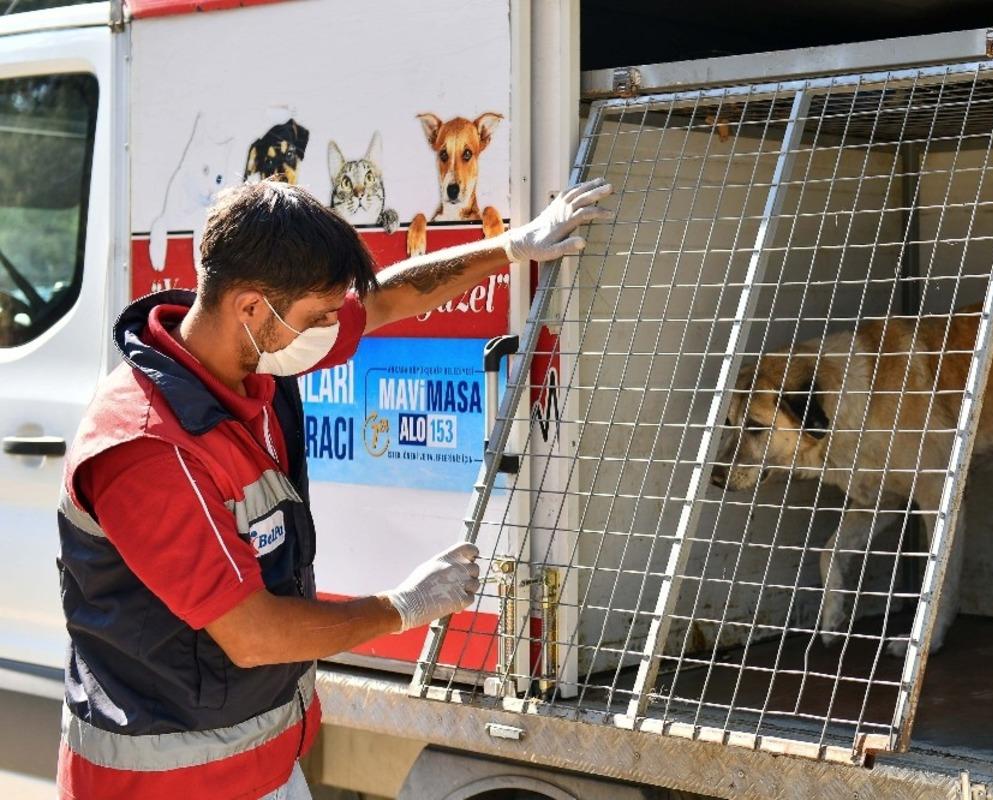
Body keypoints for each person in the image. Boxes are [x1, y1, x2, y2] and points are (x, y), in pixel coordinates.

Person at [55, 177, 612, 800]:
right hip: (166, 788)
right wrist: (402, 605)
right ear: (249, 307)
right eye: (318, 317)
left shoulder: (252, 355)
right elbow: (253, 635)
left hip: (261, 765)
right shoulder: (147, 448)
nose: (333, 328)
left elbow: (390, 300)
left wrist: (513, 247)